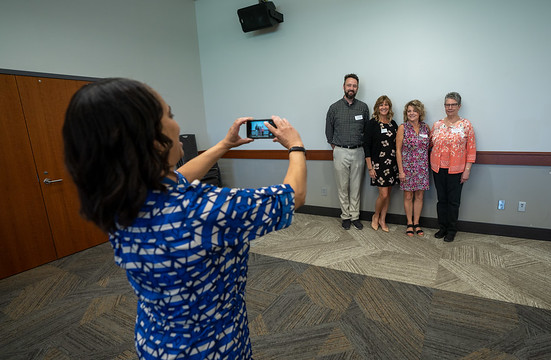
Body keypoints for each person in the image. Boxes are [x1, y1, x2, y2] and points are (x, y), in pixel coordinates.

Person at [62, 78, 307, 359]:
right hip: (213, 346)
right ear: (151, 139)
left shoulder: (119, 202)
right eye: (170, 114)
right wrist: (296, 146)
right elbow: (293, 196)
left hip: (156, 342)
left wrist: (225, 144)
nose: (177, 124)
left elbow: (178, 178)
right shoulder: (205, 210)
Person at [325, 73, 370, 230]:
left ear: (357, 88)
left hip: (358, 151)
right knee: (342, 186)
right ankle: (345, 216)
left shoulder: (363, 107)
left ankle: (355, 216)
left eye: (354, 86)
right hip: (340, 152)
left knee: (356, 187)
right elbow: (328, 133)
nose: (352, 88)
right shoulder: (334, 108)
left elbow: (366, 130)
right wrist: (337, 148)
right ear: (343, 86)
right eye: (349, 85)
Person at [430, 91, 476, 242]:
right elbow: (430, 144)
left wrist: (467, 170)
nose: (449, 107)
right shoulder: (437, 125)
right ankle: (442, 227)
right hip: (438, 168)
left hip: (457, 170)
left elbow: (471, 149)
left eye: (453, 104)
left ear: (459, 106)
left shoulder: (466, 125)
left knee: (453, 201)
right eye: (447, 105)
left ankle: (451, 229)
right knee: (441, 200)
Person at [363, 95, 398, 232]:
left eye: (386, 104)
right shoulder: (372, 124)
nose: (384, 107)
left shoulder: (392, 124)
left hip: (391, 164)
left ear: (389, 107)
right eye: (381, 105)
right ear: (377, 107)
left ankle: (383, 219)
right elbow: (366, 146)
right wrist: (370, 167)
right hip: (378, 164)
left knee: (388, 194)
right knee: (383, 194)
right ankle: (375, 216)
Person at [396, 100, 430, 237]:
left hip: (422, 167)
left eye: (414, 111)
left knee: (420, 196)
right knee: (408, 196)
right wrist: (401, 171)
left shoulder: (425, 127)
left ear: (420, 112)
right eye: (409, 111)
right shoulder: (403, 127)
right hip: (407, 168)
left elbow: (429, 147)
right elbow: (398, 150)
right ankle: (409, 223)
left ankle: (417, 223)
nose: (411, 113)